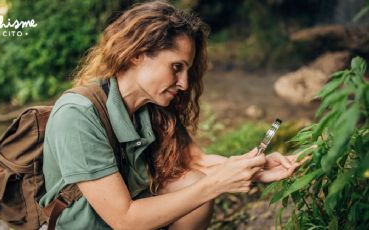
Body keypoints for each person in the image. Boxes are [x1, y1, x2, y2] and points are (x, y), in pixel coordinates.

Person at [39, 1, 305, 229]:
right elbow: (125, 220)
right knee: (201, 188)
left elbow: (197, 162)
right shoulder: (77, 115)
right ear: (139, 54)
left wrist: (253, 169)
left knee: (192, 180)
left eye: (186, 70)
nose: (184, 84)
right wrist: (218, 184)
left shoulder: (151, 106)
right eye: (176, 67)